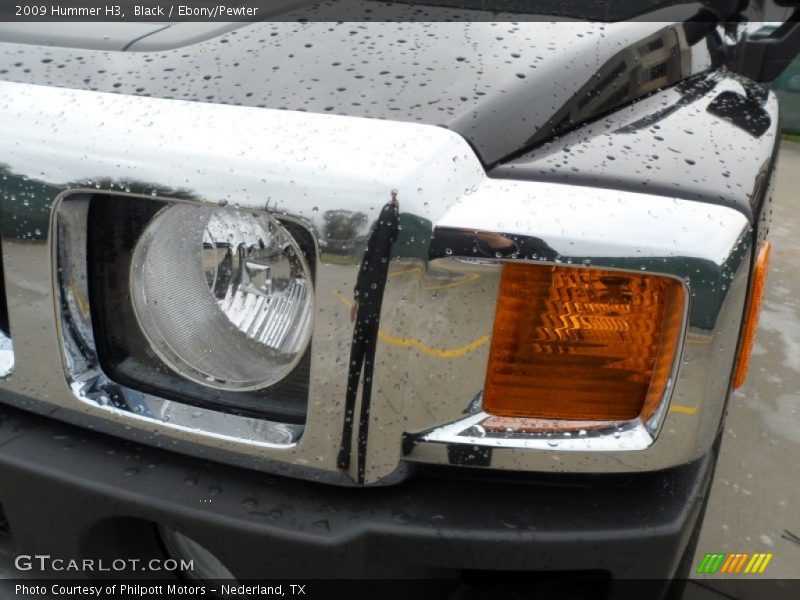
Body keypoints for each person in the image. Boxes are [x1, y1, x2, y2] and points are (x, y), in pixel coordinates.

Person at [337, 190, 399, 483]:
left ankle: (353, 457)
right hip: (372, 306)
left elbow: (370, 261)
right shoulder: (387, 219)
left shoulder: (393, 220)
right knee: (358, 375)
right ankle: (348, 456)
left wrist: (359, 296)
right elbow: (370, 260)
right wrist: (359, 296)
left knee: (359, 377)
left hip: (376, 306)